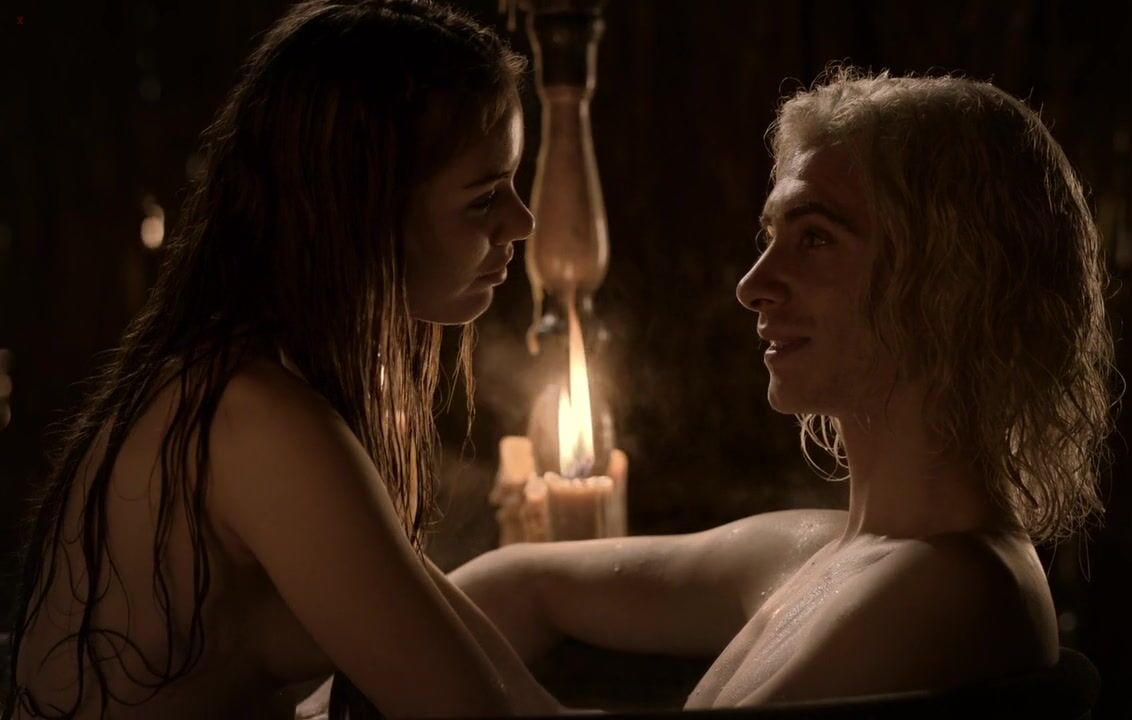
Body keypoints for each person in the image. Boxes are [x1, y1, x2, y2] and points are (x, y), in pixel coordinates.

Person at [452, 67, 1119, 708]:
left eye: (816, 238)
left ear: (954, 279)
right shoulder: (820, 550)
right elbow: (518, 582)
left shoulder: (956, 587)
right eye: (773, 236)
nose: (753, 285)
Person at [3, 1, 561, 718]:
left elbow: (506, 694)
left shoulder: (257, 386)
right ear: (360, 210)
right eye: (484, 198)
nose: (522, 221)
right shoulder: (255, 421)